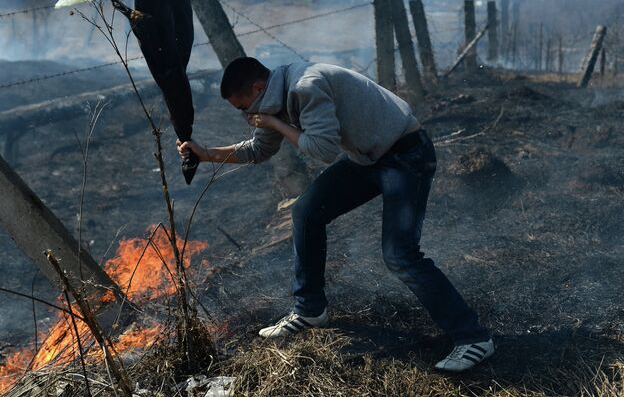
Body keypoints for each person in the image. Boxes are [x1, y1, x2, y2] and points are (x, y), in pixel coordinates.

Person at [177, 57, 494, 372]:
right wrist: (206, 154)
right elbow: (259, 150)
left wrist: (275, 124)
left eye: (243, 107)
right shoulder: (274, 99)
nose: (246, 115)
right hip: (369, 157)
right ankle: (310, 308)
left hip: (406, 153)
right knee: (307, 210)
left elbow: (323, 151)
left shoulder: (305, 87)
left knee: (400, 254)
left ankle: (473, 338)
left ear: (259, 88)